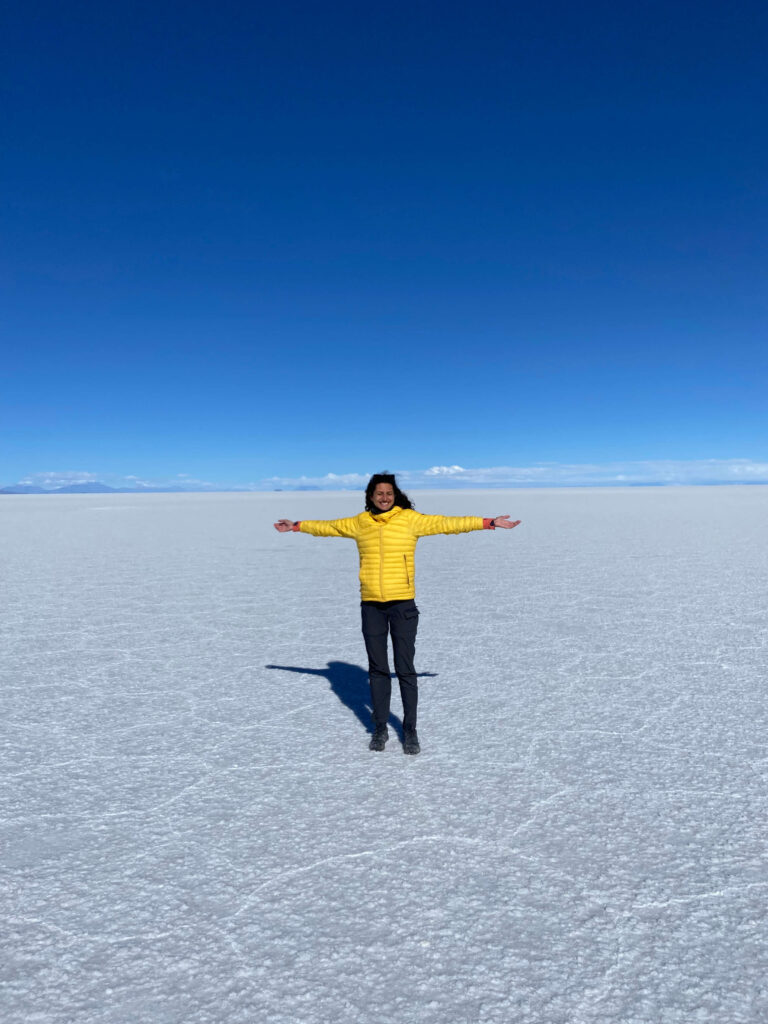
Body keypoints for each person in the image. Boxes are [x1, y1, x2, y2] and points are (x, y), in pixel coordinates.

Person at [274, 473, 520, 755]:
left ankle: (410, 729)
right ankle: (379, 727)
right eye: (379, 493)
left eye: (389, 493)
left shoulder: (410, 520)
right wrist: (297, 526)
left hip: (402, 604)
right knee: (378, 670)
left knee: (405, 668)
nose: (384, 497)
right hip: (371, 606)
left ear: (395, 495)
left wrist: (488, 522)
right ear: (370, 496)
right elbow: (328, 527)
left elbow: (448, 523)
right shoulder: (360, 523)